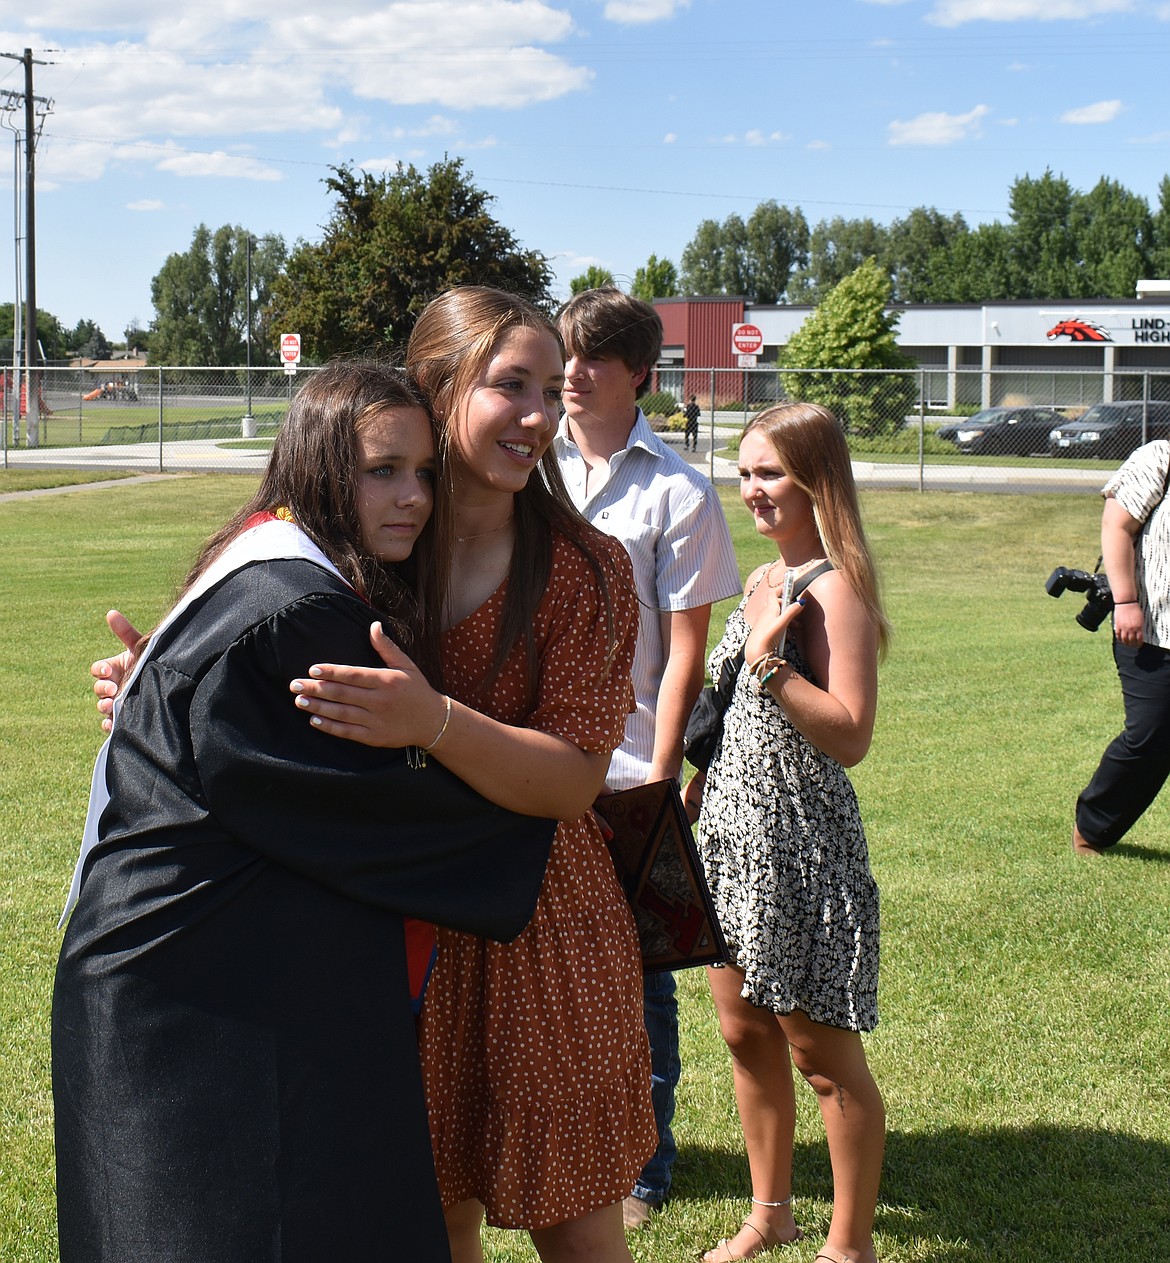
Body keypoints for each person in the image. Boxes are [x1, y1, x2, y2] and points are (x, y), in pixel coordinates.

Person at [55, 361, 556, 1262]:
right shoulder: (295, 612)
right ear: (321, 468)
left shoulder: (265, 570)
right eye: (382, 470)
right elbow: (383, 812)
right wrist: (558, 807)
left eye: (425, 472)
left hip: (204, 981)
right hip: (196, 1013)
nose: (413, 497)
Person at [285, 287, 655, 1263]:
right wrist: (157, 682)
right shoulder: (366, 548)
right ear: (435, 390)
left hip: (543, 930)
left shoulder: (586, 567)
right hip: (390, 935)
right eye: (511, 387)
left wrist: (435, 721)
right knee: (429, 1220)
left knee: (578, 1230)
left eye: (551, 388)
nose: (540, 416)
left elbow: (576, 780)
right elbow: (285, 693)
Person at [686, 402, 891, 1263]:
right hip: (732, 838)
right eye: (744, 473)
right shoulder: (767, 575)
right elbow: (731, 709)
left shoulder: (833, 584)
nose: (752, 491)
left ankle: (849, 1243)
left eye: (769, 473)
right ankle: (771, 1212)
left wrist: (771, 667)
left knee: (819, 1048)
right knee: (742, 1029)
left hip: (800, 847)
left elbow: (850, 733)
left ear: (815, 477)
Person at [554, 286, 741, 1228]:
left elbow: (686, 655)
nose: (573, 372)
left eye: (594, 358)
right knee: (538, 958)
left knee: (640, 976)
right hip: (533, 757)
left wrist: (660, 776)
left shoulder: (678, 490)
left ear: (641, 375)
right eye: (566, 354)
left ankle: (643, 1164)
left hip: (628, 767)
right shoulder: (528, 468)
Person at [1073, 437, 1170, 855]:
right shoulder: (1160, 457)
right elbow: (1116, 525)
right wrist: (1126, 600)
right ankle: (1092, 828)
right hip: (1153, 629)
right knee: (1150, 736)